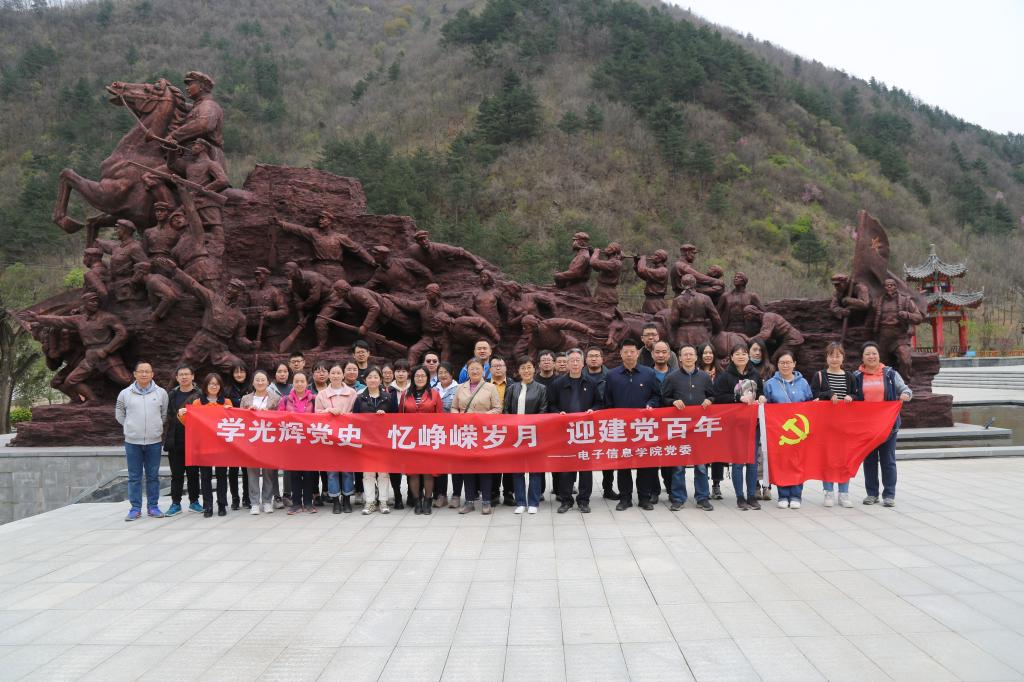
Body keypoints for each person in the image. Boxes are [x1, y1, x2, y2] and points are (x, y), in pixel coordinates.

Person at [605, 339, 661, 511]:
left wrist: (651, 404)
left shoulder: (649, 373)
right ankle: (625, 498)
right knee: (623, 464)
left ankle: (644, 498)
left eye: (632, 352)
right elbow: (608, 401)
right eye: (626, 352)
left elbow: (657, 395)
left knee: (645, 463)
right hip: (621, 428)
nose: (629, 355)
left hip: (643, 427)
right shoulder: (612, 375)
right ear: (621, 354)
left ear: (637, 353)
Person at [854, 341, 912, 507]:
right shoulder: (856, 376)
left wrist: (906, 395)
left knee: (888, 460)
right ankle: (872, 494)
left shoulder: (890, 374)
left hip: (888, 426)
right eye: (867, 354)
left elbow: (906, 390)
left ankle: (889, 495)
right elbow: (851, 395)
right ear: (862, 357)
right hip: (867, 428)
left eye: (874, 353)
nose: (871, 356)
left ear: (879, 356)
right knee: (869, 461)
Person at [659, 345, 715, 512]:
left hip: (699, 428)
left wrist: (710, 400)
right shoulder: (672, 377)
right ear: (680, 358)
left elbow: (713, 395)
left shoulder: (704, 377)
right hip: (679, 428)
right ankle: (678, 498)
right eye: (685, 355)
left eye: (691, 354)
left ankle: (702, 498)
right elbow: (663, 398)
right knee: (678, 466)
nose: (689, 357)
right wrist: (672, 402)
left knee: (701, 466)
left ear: (696, 357)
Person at [548, 349, 602, 513]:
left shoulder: (591, 382)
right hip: (566, 433)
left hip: (585, 432)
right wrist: (558, 413)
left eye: (578, 360)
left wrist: (593, 410)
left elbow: (599, 403)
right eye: (572, 360)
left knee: (585, 468)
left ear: (583, 362)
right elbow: (551, 405)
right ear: (567, 363)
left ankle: (584, 501)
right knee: (566, 468)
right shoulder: (558, 384)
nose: (575, 363)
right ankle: (566, 500)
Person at [712, 343, 765, 511]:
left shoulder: (755, 374)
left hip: (753, 424)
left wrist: (762, 397)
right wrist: (737, 398)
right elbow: (717, 397)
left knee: (752, 461)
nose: (741, 356)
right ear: (731, 357)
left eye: (744, 353)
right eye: (737, 354)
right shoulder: (725, 377)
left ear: (748, 356)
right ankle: (740, 497)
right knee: (738, 462)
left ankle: (751, 496)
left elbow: (761, 391)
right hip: (734, 425)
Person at [115, 361, 168, 521]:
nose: (144, 374)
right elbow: (119, 415)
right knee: (134, 477)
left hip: (154, 442)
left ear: (152, 374)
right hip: (132, 442)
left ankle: (153, 507)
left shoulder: (161, 393)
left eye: (147, 371)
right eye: (141, 371)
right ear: (135, 374)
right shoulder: (125, 394)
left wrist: (156, 427)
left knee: (153, 476)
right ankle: (135, 508)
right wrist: (130, 427)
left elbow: (164, 414)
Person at [809, 342, 858, 508]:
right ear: (826, 357)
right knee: (827, 458)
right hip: (825, 425)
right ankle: (828, 491)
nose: (835, 359)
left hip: (845, 426)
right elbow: (813, 394)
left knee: (845, 459)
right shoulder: (820, 375)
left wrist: (851, 397)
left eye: (838, 355)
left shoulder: (850, 376)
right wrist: (828, 394)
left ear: (843, 357)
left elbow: (858, 395)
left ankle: (844, 493)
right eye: (831, 355)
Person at [763, 351, 814, 509]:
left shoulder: (803, 383)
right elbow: (766, 406)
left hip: (800, 430)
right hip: (779, 431)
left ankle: (796, 495)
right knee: (782, 462)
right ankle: (783, 495)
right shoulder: (770, 384)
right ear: (777, 365)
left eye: (788, 362)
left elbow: (809, 403)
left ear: (794, 364)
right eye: (782, 363)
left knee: (798, 462)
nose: (785, 365)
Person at [452, 358, 502, 514]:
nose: (474, 371)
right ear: (467, 371)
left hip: (484, 433)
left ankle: (486, 502)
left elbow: (498, 408)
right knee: (467, 468)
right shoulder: (460, 387)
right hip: (466, 433)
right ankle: (469, 501)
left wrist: (481, 417)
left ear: (483, 371)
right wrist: (460, 417)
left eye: (477, 369)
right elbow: (454, 407)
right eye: (471, 369)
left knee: (485, 468)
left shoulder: (490, 387)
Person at [502, 356, 549, 514]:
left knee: (535, 470)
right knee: (518, 470)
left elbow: (543, 410)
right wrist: (513, 425)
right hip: (516, 435)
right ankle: (521, 502)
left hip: (534, 434)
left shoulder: (541, 388)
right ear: (518, 371)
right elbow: (506, 410)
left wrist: (531, 425)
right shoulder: (512, 388)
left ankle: (534, 502)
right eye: (523, 368)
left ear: (534, 369)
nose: (526, 370)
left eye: (529, 367)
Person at [399, 365, 443, 515]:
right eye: (417, 376)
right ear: (413, 378)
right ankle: (417, 500)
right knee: (413, 471)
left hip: (429, 437)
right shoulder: (405, 394)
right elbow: (400, 417)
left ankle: (427, 500)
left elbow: (440, 417)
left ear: (428, 378)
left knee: (428, 471)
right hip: (410, 438)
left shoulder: (435, 394)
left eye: (423, 376)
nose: (420, 378)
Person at [315, 363, 359, 514]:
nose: (335, 376)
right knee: (332, 471)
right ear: (329, 375)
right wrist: (329, 411)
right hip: (329, 438)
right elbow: (316, 415)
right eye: (333, 373)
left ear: (343, 375)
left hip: (346, 436)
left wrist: (344, 415)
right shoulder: (321, 394)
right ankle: (335, 500)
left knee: (347, 470)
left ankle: (346, 499)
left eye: (338, 373)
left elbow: (356, 413)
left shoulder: (352, 393)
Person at [189, 373, 233, 518]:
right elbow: (191, 424)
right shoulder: (197, 403)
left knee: (221, 476)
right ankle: (207, 505)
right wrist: (182, 415)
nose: (214, 386)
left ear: (220, 386)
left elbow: (233, 422)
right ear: (206, 386)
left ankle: (222, 504)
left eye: (217, 384)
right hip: (204, 445)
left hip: (221, 446)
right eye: (211, 384)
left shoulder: (226, 402)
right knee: (205, 476)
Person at [354, 367, 396, 514]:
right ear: (365, 380)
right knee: (368, 473)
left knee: (383, 472)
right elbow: (354, 419)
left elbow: (396, 418)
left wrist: (385, 416)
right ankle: (370, 502)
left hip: (384, 441)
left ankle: (383, 501)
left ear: (380, 379)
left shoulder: (388, 397)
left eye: (375, 377)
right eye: (370, 377)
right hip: (366, 442)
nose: (373, 380)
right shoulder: (360, 398)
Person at [240, 370, 281, 514]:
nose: (260, 382)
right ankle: (254, 503)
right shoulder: (246, 399)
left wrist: (269, 413)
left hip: (269, 440)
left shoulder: (276, 398)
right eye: (257, 379)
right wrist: (248, 412)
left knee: (269, 473)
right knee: (252, 473)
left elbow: (281, 417)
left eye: (263, 379)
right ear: (253, 382)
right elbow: (240, 419)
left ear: (268, 382)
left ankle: (267, 501)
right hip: (251, 441)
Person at [163, 365, 201, 516]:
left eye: (187, 374)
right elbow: (166, 416)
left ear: (193, 376)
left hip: (193, 441)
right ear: (177, 378)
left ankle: (194, 502)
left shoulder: (199, 394)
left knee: (193, 473)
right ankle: (175, 504)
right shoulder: (171, 395)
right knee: (176, 475)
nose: (184, 377)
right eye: (181, 375)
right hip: (175, 440)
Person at [278, 371, 317, 514]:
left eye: (302, 381)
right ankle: (296, 503)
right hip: (292, 442)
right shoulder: (285, 400)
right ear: (292, 383)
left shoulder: (314, 399)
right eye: (296, 381)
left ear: (307, 383)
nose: (299, 384)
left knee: (308, 474)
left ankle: (308, 502)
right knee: (294, 474)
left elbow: (320, 418)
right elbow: (278, 418)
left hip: (309, 442)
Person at [583, 346, 614, 500]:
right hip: (584, 423)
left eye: (597, 356)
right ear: (586, 359)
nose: (593, 359)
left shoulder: (612, 376)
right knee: (583, 456)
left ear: (602, 359)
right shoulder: (579, 375)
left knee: (608, 456)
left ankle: (608, 488)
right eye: (590, 356)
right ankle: (582, 491)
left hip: (606, 421)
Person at [747, 338, 775, 501]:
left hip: (768, 417)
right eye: (754, 350)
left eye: (760, 350)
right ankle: (756, 485)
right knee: (754, 453)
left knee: (766, 452)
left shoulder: (770, 369)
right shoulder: (745, 369)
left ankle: (768, 485)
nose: (757, 353)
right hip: (751, 418)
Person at [224, 362, 251, 510]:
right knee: (233, 468)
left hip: (249, 433)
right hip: (233, 432)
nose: (239, 375)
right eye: (236, 372)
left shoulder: (252, 388)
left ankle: (247, 497)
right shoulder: (226, 390)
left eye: (242, 372)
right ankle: (235, 498)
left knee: (247, 468)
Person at [434, 361, 459, 509]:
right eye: (440, 373)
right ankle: (441, 494)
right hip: (438, 432)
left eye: (446, 372)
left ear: (452, 374)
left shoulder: (459, 389)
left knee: (456, 464)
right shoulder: (432, 389)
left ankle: (456, 495)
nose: (443, 375)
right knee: (440, 463)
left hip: (455, 431)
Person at [489, 357, 514, 506]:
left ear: (506, 368)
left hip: (509, 428)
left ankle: (509, 493)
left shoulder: (514, 385)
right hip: (490, 429)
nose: (498, 368)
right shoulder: (484, 385)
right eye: (495, 366)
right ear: (490, 369)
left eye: (501, 365)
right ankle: (493, 493)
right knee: (493, 462)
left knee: (510, 461)